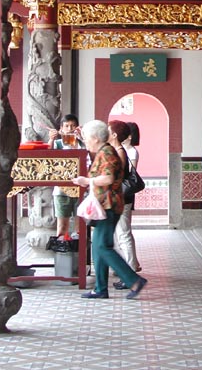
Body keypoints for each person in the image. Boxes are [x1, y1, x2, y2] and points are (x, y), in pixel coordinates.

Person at [72, 120, 147, 299]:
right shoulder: (102, 151)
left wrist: (87, 181)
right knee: (99, 248)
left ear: (96, 138)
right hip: (103, 205)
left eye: (87, 138)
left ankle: (133, 280)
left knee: (102, 247)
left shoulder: (107, 153)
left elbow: (108, 178)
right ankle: (100, 288)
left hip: (109, 205)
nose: (86, 141)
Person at [110, 121, 142, 289]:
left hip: (122, 199)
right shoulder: (117, 150)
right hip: (119, 199)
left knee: (123, 234)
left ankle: (130, 274)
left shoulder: (121, 153)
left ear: (114, 135)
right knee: (120, 234)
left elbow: (115, 177)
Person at [48, 114, 85, 236]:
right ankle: (63, 252)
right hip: (61, 191)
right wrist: (51, 139)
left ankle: (79, 252)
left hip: (81, 189)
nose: (70, 129)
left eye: (73, 125)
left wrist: (83, 137)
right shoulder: (58, 144)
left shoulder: (82, 144)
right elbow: (47, 158)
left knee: (80, 227)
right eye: (66, 126)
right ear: (61, 129)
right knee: (62, 226)